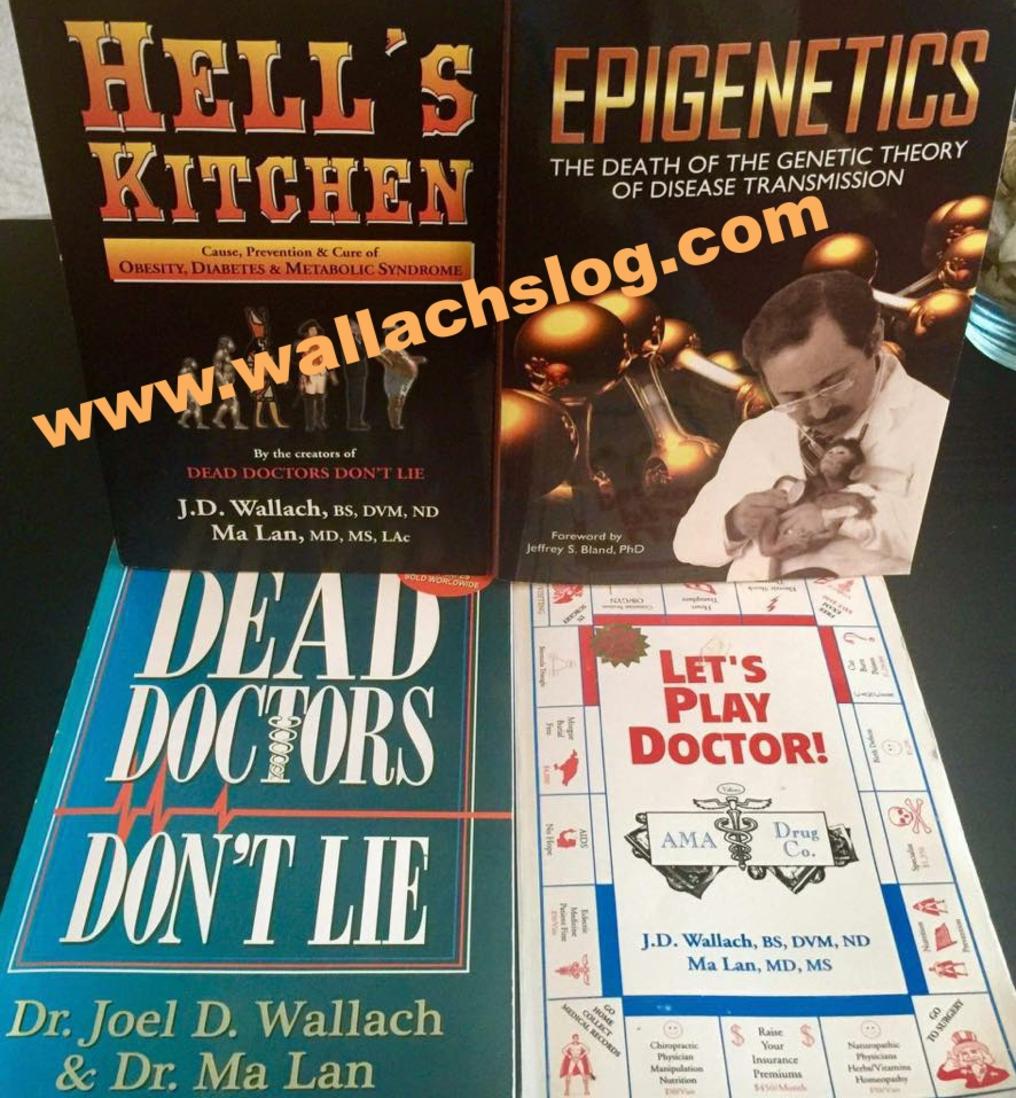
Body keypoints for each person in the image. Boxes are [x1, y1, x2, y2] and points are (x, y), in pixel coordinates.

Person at [673, 271, 948, 579]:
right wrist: (734, 523)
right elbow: (686, 545)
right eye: (792, 398)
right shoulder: (758, 434)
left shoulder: (935, 421)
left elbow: (949, 544)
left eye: (832, 384)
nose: (818, 412)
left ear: (874, 340)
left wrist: (837, 512)